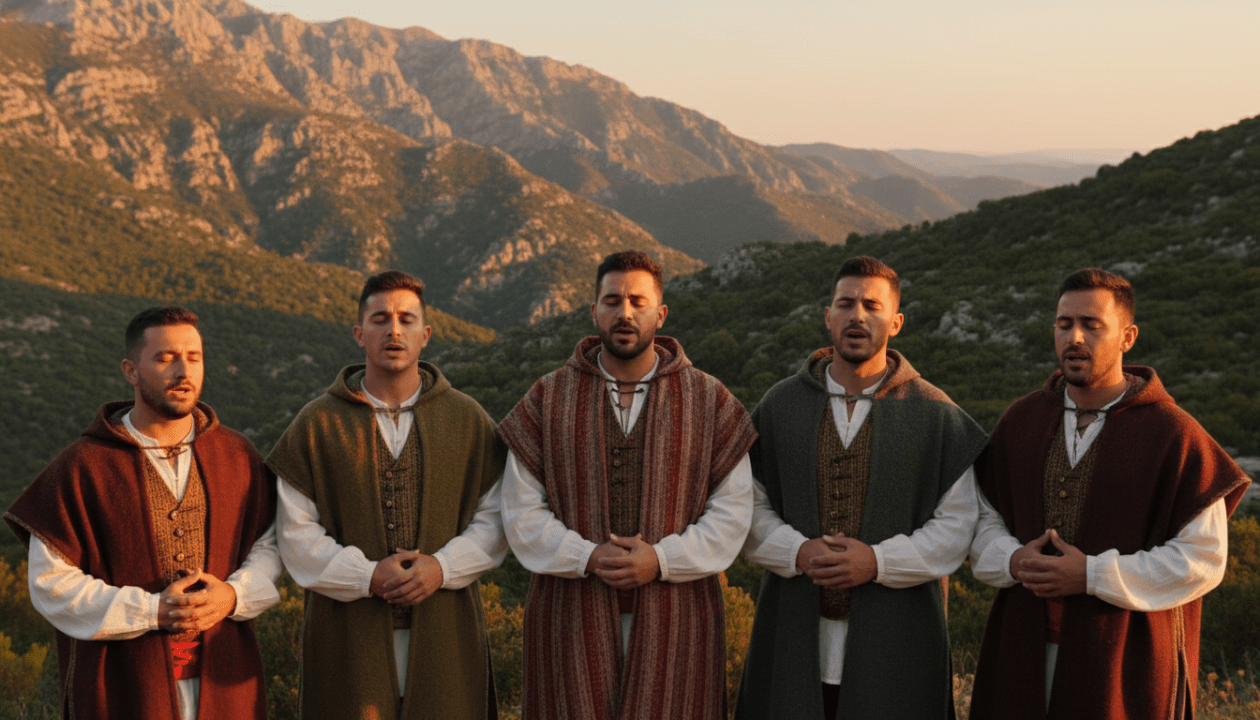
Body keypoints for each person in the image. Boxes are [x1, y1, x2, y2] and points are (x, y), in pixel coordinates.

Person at [968, 268, 1250, 719]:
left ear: (1127, 336)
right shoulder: (1020, 421)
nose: (1074, 337)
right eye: (1064, 324)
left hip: (1123, 660)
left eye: (1092, 325)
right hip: (1021, 646)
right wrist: (1013, 559)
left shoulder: (1173, 434)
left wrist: (1093, 575)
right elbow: (981, 520)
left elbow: (1204, 558)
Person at [498, 249, 757, 720]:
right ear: (594, 310)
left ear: (660, 313)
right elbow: (520, 510)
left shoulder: (709, 399)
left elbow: (733, 511)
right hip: (569, 618)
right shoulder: (548, 396)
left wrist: (660, 559)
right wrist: (587, 556)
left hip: (679, 620)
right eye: (612, 300)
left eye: (638, 301)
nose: (625, 312)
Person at [735, 256, 989, 720]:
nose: (857, 316)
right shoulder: (779, 405)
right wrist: (798, 551)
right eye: (846, 303)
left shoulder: (935, 414)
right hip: (791, 632)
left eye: (872, 306)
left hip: (900, 639)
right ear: (828, 316)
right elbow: (747, 506)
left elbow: (958, 526)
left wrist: (877, 561)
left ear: (896, 321)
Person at [4, 306, 281, 720]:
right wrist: (151, 611)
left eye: (193, 357)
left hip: (225, 680)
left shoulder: (237, 455)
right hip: (123, 687)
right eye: (165, 358)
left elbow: (271, 545)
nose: (183, 371)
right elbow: (51, 584)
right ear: (131, 371)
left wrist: (233, 594)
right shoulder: (83, 466)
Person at [268, 270, 505, 720]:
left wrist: (442, 567)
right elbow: (294, 533)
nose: (393, 330)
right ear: (359, 333)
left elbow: (496, 517)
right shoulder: (317, 422)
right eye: (380, 319)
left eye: (406, 319)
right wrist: (366, 576)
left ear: (425, 335)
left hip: (447, 632)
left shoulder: (467, 419)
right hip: (346, 637)